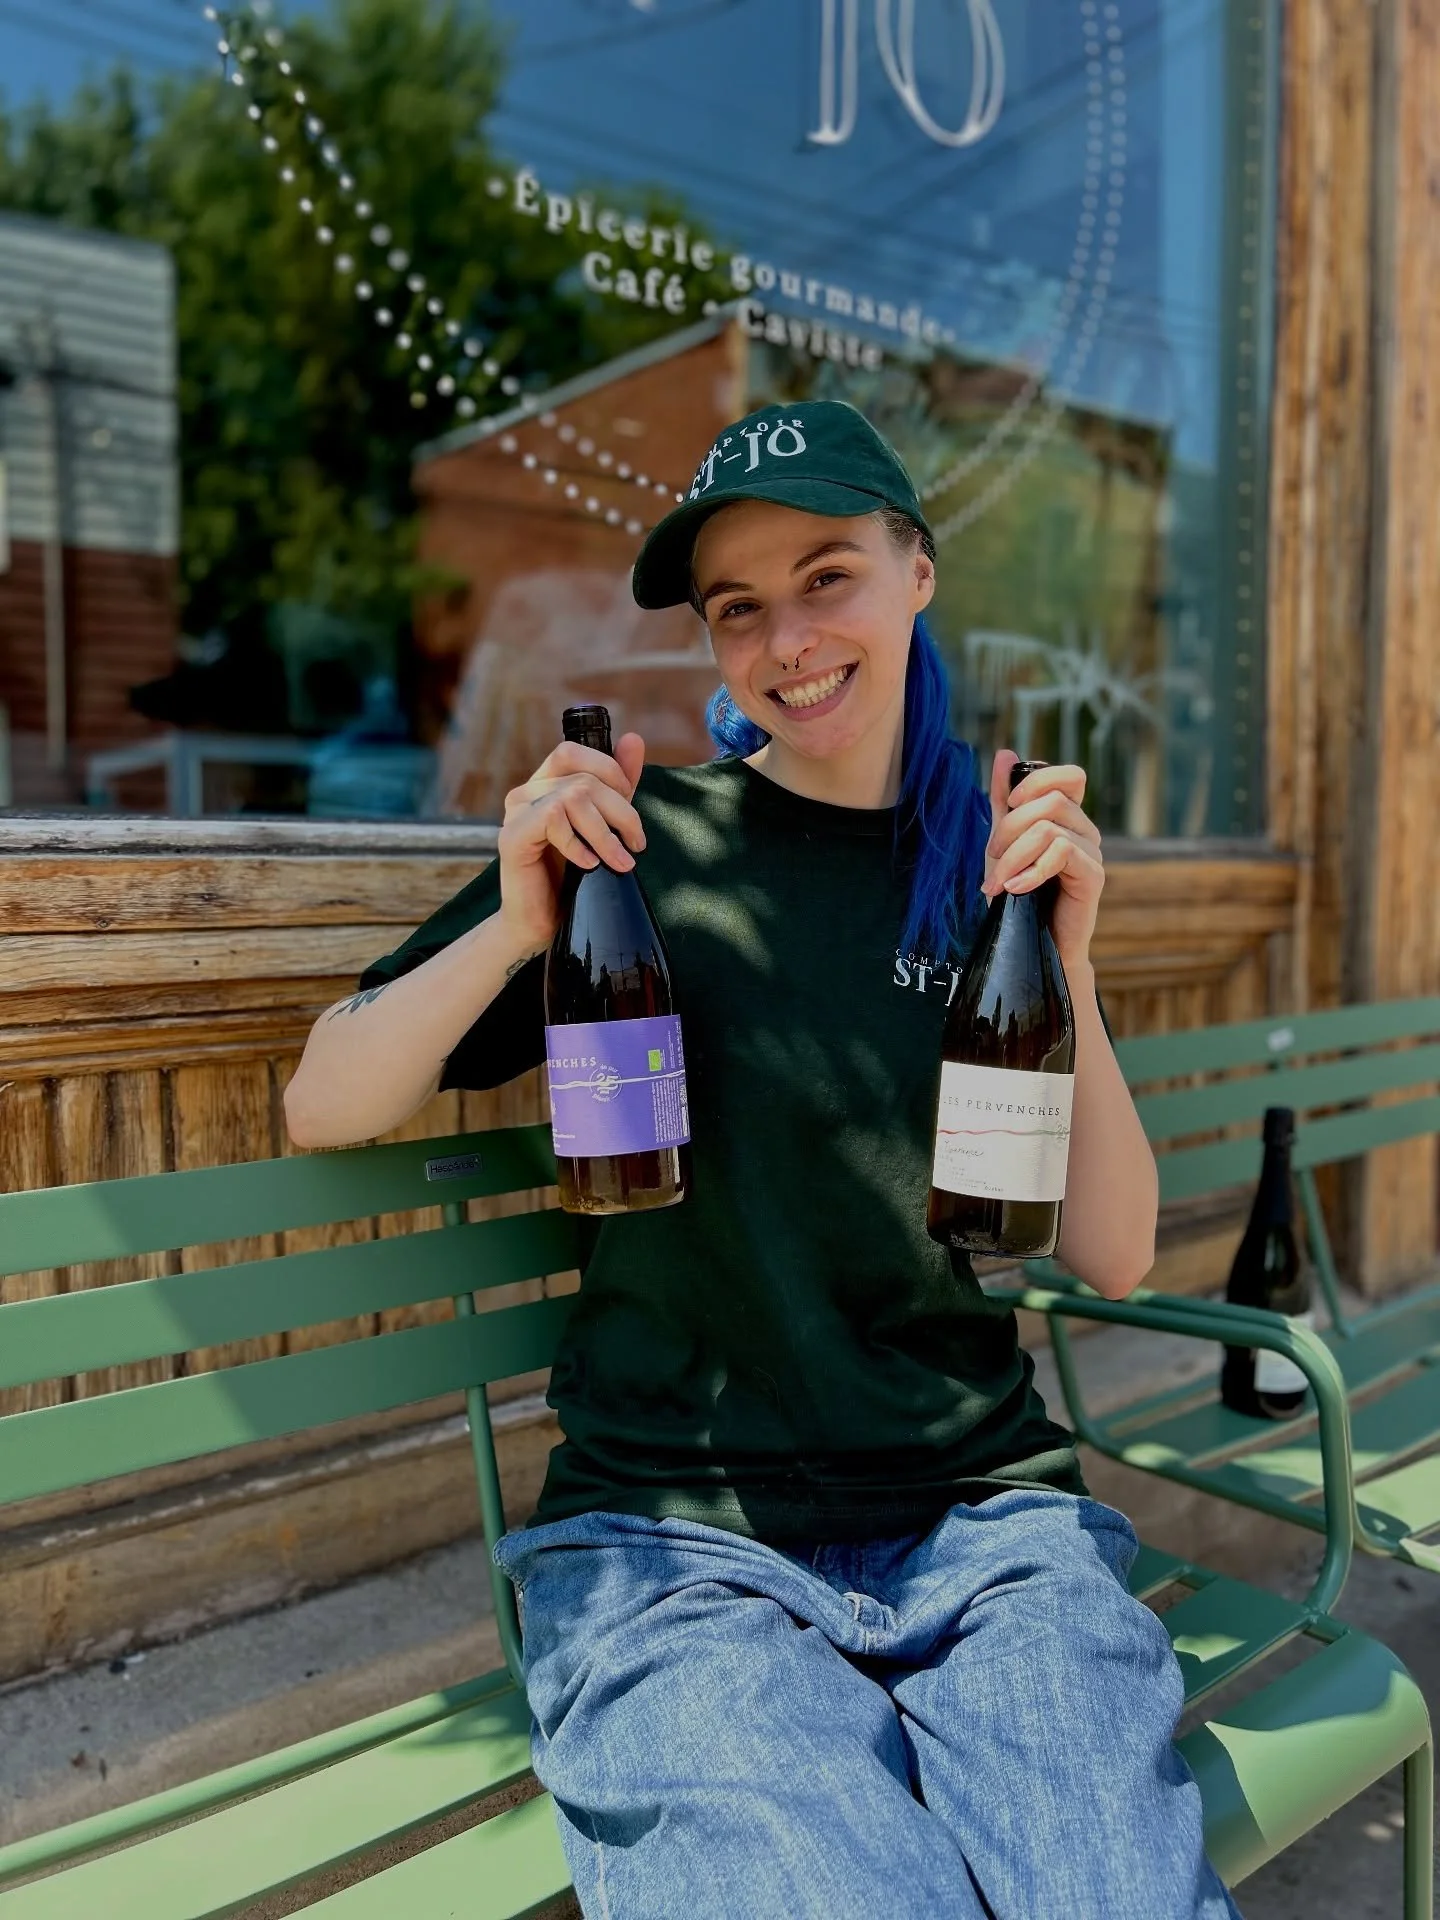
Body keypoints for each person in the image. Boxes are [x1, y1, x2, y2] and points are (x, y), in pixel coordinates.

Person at [284, 400, 1240, 1920]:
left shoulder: (988, 861)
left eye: (828, 575)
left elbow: (1115, 1253)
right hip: (676, 1547)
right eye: (742, 608)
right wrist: (519, 931)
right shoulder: (635, 849)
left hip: (984, 1531)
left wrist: (1074, 962)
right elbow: (324, 1099)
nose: (789, 637)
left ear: (917, 572)